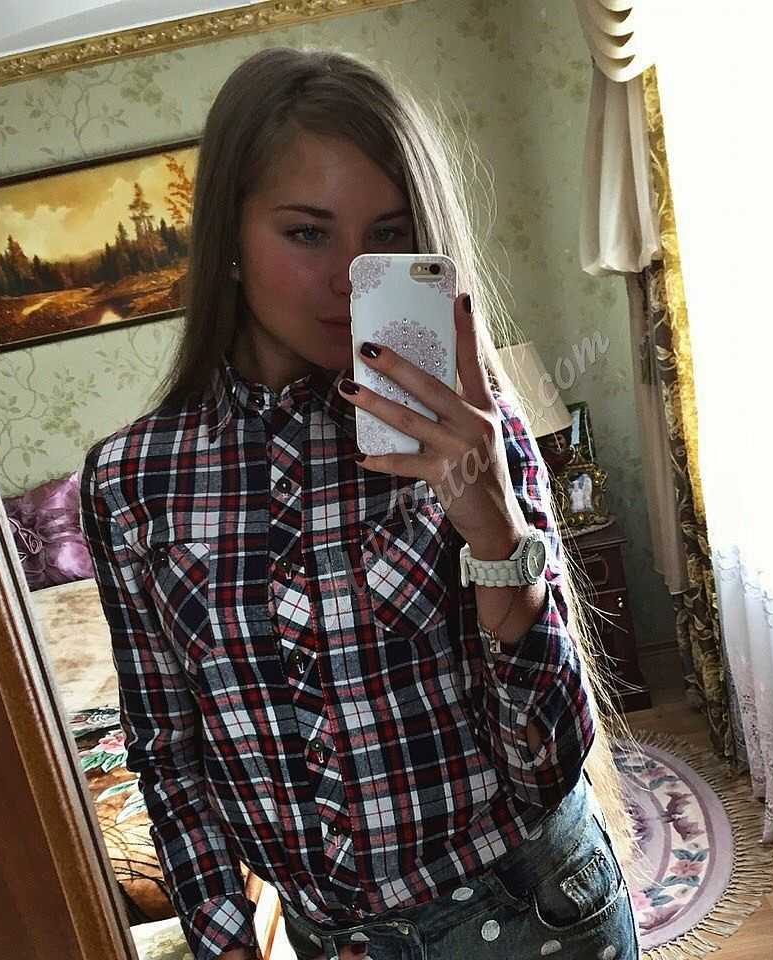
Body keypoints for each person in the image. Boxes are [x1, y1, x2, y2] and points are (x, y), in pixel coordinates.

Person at [80, 46, 640, 960]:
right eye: (308, 233)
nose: (350, 275)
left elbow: (546, 766)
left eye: (388, 235)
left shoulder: (467, 427)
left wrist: (496, 529)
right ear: (228, 240)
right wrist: (225, 939)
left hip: (534, 911)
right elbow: (168, 754)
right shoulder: (132, 481)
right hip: (332, 942)